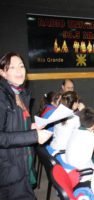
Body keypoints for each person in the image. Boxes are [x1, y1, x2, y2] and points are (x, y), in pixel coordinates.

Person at [0, 52, 52, 199]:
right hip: (8, 169)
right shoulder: (2, 96)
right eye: (12, 67)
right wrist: (34, 135)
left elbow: (14, 126)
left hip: (23, 163)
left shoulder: (21, 94)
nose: (19, 70)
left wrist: (31, 128)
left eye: (21, 66)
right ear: (3, 72)